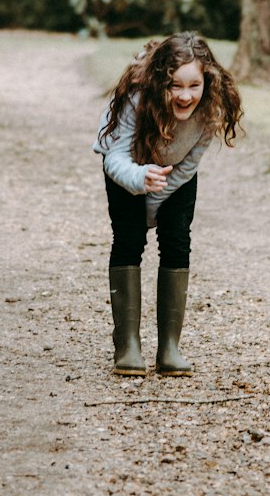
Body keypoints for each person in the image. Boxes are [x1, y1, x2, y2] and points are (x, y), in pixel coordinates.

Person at [93, 31, 242, 376]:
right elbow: (114, 157)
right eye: (175, 85)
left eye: (194, 85)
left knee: (177, 243)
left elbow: (188, 165)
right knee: (129, 241)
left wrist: (156, 202)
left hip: (174, 179)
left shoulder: (211, 110)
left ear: (207, 82)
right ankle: (128, 345)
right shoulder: (136, 98)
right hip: (127, 169)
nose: (186, 95)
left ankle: (169, 349)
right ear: (160, 81)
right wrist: (140, 183)